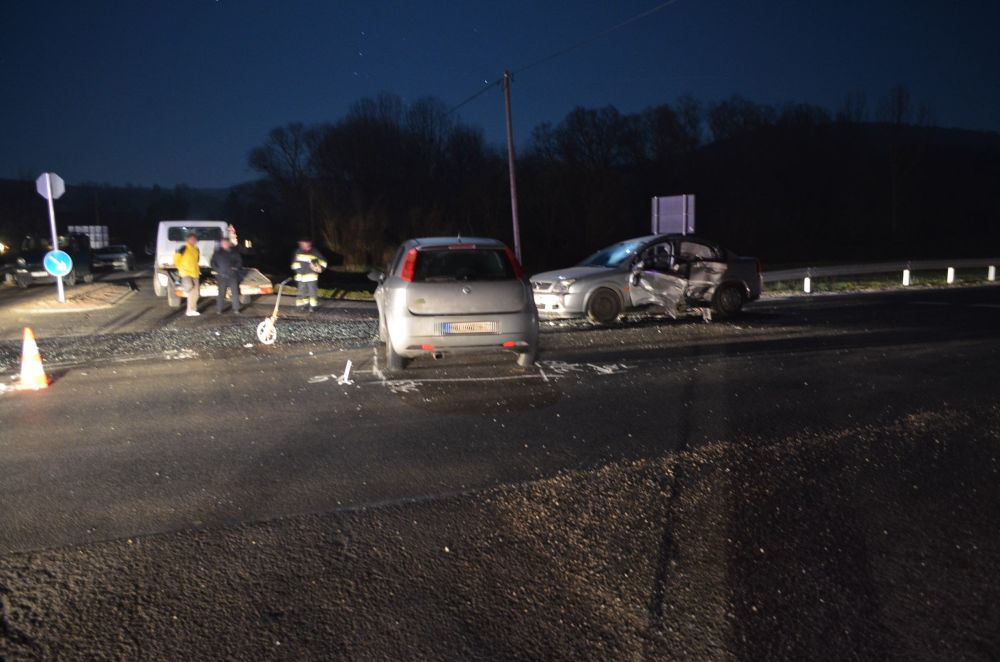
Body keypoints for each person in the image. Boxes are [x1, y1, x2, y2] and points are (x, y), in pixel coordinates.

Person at [290, 238, 327, 312]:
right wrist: (298, 271)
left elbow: (323, 262)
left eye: (303, 243)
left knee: (312, 292)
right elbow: (294, 263)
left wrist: (320, 268)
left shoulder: (315, 252)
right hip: (301, 277)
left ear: (308, 244)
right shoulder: (298, 252)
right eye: (301, 243)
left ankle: (313, 306)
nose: (301, 245)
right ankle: (301, 306)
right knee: (301, 292)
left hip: (311, 277)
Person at [210, 238, 243, 314]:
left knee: (235, 293)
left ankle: (236, 309)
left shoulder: (234, 252)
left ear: (228, 243)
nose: (224, 244)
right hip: (221, 276)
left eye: (225, 243)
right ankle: (219, 309)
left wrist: (235, 267)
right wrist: (217, 270)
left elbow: (239, 262)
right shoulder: (217, 253)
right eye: (222, 243)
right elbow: (212, 263)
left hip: (232, 276)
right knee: (221, 293)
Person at [174, 233, 201, 317]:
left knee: (195, 293)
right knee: (189, 286)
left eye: (194, 239)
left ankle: (191, 310)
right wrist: (180, 268)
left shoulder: (196, 249)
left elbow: (197, 260)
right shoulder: (183, 248)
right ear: (187, 240)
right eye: (191, 239)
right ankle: (185, 288)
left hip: (195, 273)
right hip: (185, 272)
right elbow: (176, 259)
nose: (193, 241)